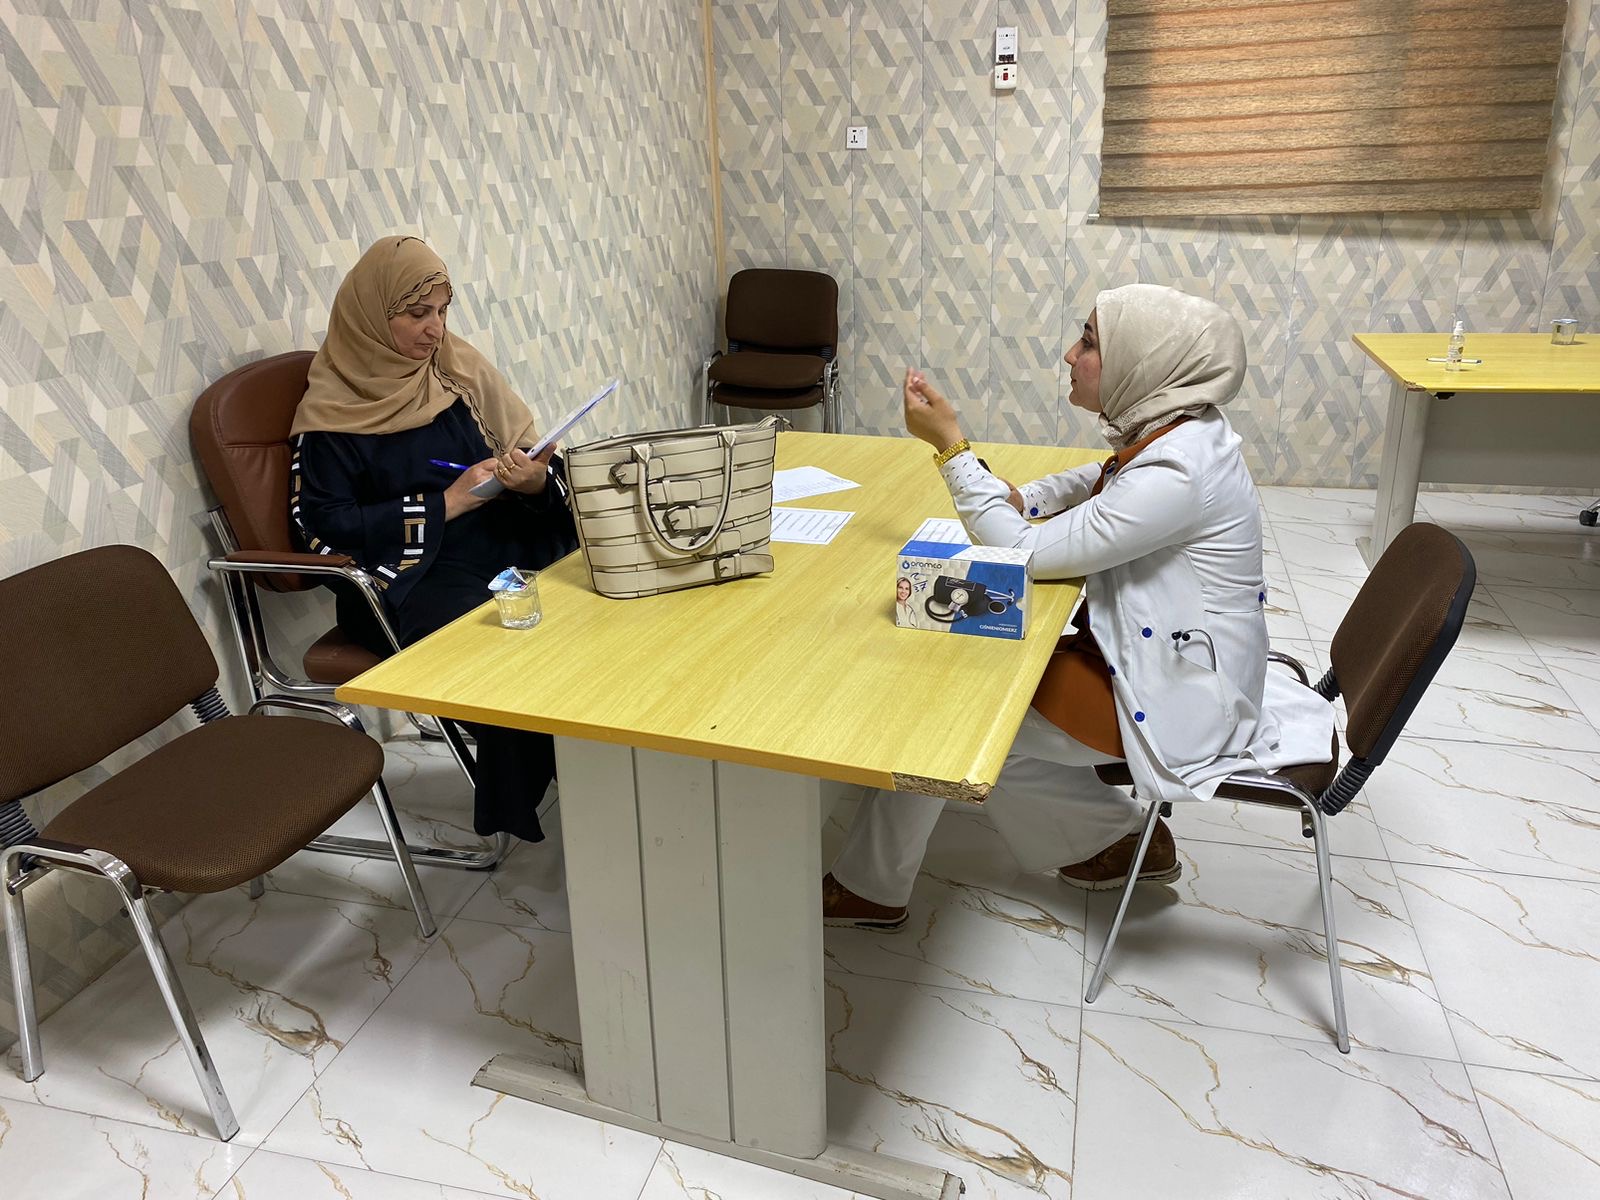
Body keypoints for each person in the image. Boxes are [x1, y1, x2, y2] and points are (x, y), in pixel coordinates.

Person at [825, 284, 1333, 928]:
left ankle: (869, 888)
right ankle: (1115, 840)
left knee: (948, 718)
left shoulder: (1177, 474)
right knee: (984, 702)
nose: (1071, 355)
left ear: (1144, 362)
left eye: (1089, 343)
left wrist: (951, 448)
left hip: (1178, 696)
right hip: (1162, 658)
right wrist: (1024, 497)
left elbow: (1023, 553)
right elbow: (1100, 478)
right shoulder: (1182, 432)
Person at [290, 235, 578, 844]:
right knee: (504, 644)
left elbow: (520, 456)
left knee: (587, 583)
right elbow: (323, 526)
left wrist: (530, 480)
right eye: (417, 314)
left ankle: (607, 761)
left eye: (443, 311)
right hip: (410, 573)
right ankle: (536, 793)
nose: (435, 329)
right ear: (371, 317)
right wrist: (444, 504)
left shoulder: (453, 373)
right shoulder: (332, 415)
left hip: (492, 540)